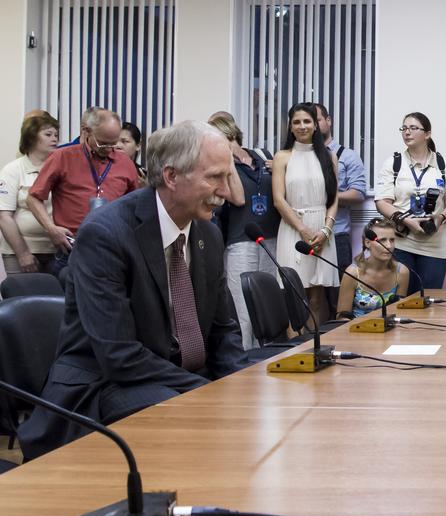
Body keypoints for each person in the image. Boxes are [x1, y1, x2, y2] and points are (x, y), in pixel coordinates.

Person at [17, 120, 247, 460]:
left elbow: (223, 331)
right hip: (104, 386)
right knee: (198, 420)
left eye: (227, 177)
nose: (226, 192)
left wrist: (242, 389)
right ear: (171, 176)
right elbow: (118, 356)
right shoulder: (106, 235)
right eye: (214, 177)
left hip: (177, 378)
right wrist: (209, 394)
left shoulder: (208, 235)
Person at [27, 108, 140, 275]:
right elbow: (33, 197)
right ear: (86, 131)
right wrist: (51, 228)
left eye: (113, 143)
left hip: (111, 249)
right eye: (103, 143)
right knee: (67, 299)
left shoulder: (125, 163)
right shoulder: (62, 157)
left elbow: (134, 205)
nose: (109, 148)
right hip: (71, 248)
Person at [375, 112, 446, 292]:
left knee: (428, 299)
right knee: (400, 298)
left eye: (413, 128)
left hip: (435, 243)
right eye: (404, 128)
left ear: (427, 134)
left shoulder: (444, 165)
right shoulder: (393, 163)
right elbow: (382, 202)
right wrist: (406, 220)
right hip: (401, 240)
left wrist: (440, 218)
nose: (407, 132)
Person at [210, 114, 276, 349]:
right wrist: (227, 159)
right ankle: (245, 358)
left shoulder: (262, 156)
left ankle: (267, 353)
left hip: (271, 237)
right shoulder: (221, 166)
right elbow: (237, 198)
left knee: (267, 302)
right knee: (243, 307)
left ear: (230, 134)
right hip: (240, 240)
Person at [272, 102, 340, 324]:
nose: (302, 126)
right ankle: (294, 350)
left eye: (307, 121)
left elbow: (333, 198)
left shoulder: (329, 157)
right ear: (290, 127)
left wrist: (326, 230)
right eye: (296, 122)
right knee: (294, 295)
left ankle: (314, 349)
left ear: (315, 125)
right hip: (293, 228)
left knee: (317, 298)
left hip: (322, 230)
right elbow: (279, 200)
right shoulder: (282, 156)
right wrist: (303, 229)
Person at [314, 103, 369, 312]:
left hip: (337, 236)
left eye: (317, 119)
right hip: (306, 234)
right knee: (312, 298)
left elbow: (358, 193)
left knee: (340, 298)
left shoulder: (347, 155)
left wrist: (324, 197)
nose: (314, 126)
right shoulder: (297, 156)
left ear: (329, 121)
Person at [0, 114, 60, 273]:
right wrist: (23, 253)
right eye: (48, 134)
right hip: (20, 250)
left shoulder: (61, 168)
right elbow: (4, 217)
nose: (54, 139)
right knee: (22, 296)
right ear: (31, 138)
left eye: (56, 135)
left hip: (57, 250)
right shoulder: (12, 170)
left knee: (56, 297)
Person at [337, 218, 410, 318]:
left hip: (390, 329)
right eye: (382, 240)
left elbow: (399, 312)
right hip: (357, 330)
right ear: (367, 243)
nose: (388, 246)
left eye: (392, 240)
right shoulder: (352, 273)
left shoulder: (402, 272)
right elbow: (341, 317)